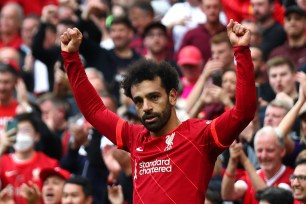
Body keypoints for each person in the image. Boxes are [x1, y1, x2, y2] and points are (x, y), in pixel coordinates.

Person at [60, 19, 256, 203]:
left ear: (172, 96)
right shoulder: (134, 137)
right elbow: (94, 111)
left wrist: (241, 51)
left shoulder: (201, 136)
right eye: (138, 101)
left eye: (154, 97)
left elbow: (244, 112)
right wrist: (71, 58)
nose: (146, 107)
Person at [221, 126, 293, 204]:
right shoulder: (251, 176)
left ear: (282, 151)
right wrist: (233, 160)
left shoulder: (292, 178)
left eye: (269, 150)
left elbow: (270, 200)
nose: (264, 156)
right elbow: (227, 195)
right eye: (259, 150)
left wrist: (245, 161)